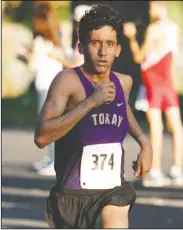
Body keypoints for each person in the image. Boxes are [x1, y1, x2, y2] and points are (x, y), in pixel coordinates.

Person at [34, 4, 153, 228]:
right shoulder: (67, 81)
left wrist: (144, 143)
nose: (103, 52)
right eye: (95, 43)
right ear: (81, 46)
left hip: (112, 191)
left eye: (109, 44)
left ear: (118, 49)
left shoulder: (123, 82)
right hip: (72, 196)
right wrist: (91, 102)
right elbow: (41, 137)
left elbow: (123, 110)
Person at [124, 1, 183, 187]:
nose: (150, 11)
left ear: (159, 6)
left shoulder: (154, 29)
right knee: (176, 127)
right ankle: (177, 169)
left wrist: (131, 38)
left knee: (156, 128)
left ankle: (156, 170)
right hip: (167, 82)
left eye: (152, 6)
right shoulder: (174, 28)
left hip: (153, 83)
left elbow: (140, 57)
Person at [30, 2, 71, 176]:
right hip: (57, 86)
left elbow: (33, 65)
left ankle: (55, 162)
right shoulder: (57, 41)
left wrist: (26, 55)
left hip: (45, 86)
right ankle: (52, 160)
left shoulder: (40, 41)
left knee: (47, 127)